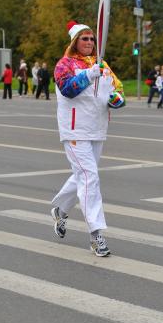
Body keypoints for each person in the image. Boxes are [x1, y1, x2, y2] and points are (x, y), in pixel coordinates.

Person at [51, 20, 125, 256]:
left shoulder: (103, 66)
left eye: (92, 39)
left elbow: (117, 90)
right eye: (85, 38)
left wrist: (116, 99)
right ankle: (96, 235)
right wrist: (89, 74)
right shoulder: (65, 64)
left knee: (82, 176)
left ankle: (61, 211)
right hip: (75, 131)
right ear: (75, 41)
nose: (90, 42)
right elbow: (67, 89)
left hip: (97, 129)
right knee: (89, 178)